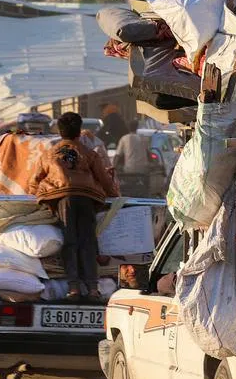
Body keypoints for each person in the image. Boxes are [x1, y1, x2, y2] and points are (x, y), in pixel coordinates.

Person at [30, 112, 120, 301]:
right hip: (87, 199)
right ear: (79, 131)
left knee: (70, 242)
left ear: (60, 132)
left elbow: (34, 183)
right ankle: (93, 289)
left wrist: (39, 199)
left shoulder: (49, 154)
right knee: (88, 243)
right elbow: (104, 180)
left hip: (63, 199)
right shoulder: (89, 153)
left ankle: (74, 289)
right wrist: (115, 196)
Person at [113, 120, 152, 197]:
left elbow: (117, 156)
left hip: (129, 170)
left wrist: (113, 167)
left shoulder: (124, 138)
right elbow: (149, 154)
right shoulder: (143, 139)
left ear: (128, 128)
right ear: (137, 127)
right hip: (142, 170)